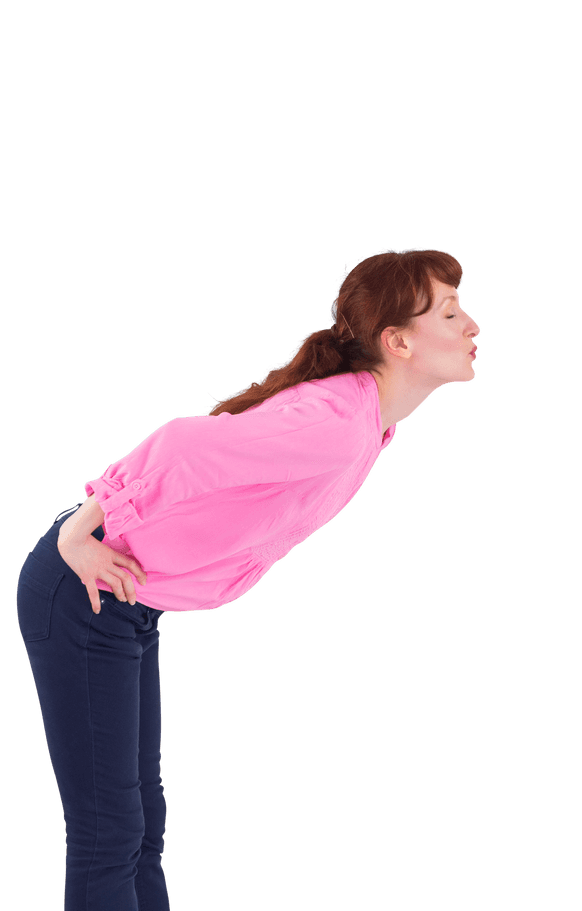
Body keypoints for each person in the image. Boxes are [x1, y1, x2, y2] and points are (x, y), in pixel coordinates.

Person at [15, 247, 481, 911]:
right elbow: (180, 446)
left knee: (141, 828)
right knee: (109, 837)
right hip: (83, 592)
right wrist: (74, 534)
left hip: (125, 602)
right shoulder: (339, 426)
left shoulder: (362, 417)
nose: (472, 326)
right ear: (397, 340)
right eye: (452, 311)